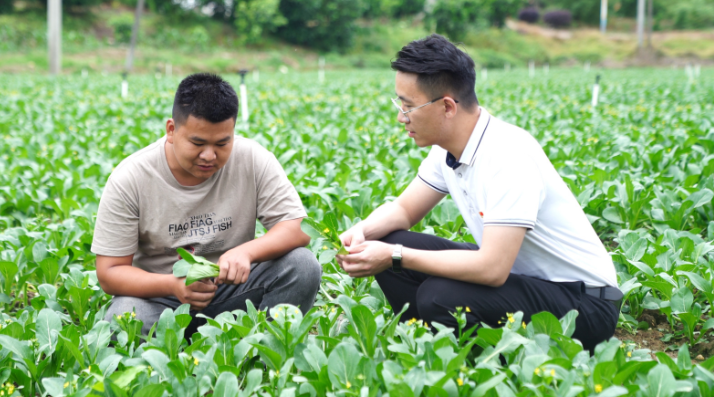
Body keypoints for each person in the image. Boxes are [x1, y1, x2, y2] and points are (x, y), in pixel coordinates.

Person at [337, 34, 621, 352]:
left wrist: (395, 257)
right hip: (524, 280)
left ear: (447, 106)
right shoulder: (449, 147)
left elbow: (492, 269)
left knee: (437, 294)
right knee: (389, 240)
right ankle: (428, 349)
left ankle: (482, 369)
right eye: (399, 104)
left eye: (408, 107)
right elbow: (404, 210)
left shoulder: (507, 155)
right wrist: (362, 232)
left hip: (584, 303)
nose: (401, 117)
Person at [93, 73, 321, 336]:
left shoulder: (253, 158)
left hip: (233, 291)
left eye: (222, 143)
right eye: (197, 143)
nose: (210, 155)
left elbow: (299, 227)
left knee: (302, 265)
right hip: (161, 300)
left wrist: (247, 252)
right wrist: (173, 286)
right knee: (123, 318)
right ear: (171, 130)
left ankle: (266, 355)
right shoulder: (130, 178)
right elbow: (109, 273)